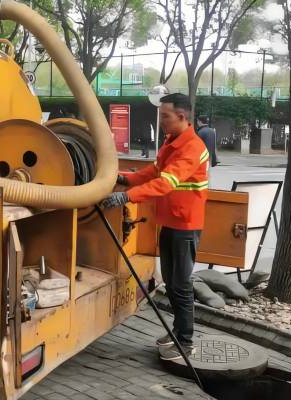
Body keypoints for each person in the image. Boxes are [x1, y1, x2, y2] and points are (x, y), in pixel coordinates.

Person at [102, 93, 209, 361]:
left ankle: (185, 342)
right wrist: (123, 179)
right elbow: (153, 172)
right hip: (171, 222)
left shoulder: (192, 148)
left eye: (166, 116)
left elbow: (165, 183)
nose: (161, 120)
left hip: (185, 226)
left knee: (181, 285)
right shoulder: (171, 142)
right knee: (171, 283)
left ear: (182, 116)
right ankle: (177, 332)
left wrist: (126, 197)